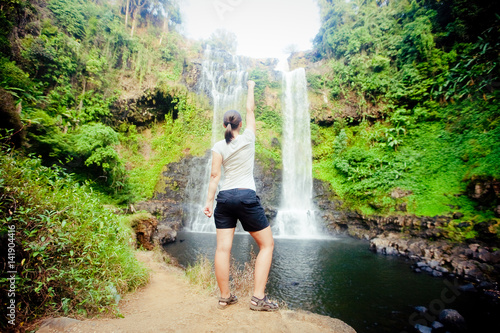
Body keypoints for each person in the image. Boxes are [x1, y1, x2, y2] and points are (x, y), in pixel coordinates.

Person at [203, 80, 278, 312]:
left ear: (224, 125)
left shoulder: (218, 146)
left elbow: (215, 176)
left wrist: (208, 203)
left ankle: (225, 297)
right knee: (267, 245)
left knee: (222, 249)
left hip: (224, 199)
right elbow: (250, 110)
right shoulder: (248, 138)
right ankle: (257, 298)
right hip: (246, 196)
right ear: (240, 125)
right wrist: (251, 86)